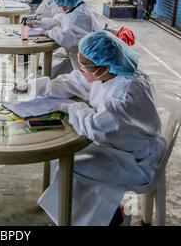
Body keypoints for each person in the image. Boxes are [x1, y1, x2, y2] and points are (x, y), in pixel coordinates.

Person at [19, 31, 166, 226]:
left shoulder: (123, 95)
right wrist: (32, 87)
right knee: (63, 161)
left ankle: (105, 217)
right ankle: (92, 213)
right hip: (119, 146)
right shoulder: (112, 72)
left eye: (84, 66)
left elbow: (96, 126)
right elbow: (73, 82)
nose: (80, 69)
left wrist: (72, 108)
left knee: (72, 166)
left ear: (104, 67)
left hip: (136, 159)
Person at [42, 0, 102, 78]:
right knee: (54, 73)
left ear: (66, 3)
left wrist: (48, 32)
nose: (59, 7)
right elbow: (60, 19)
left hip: (88, 59)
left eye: (60, 4)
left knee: (83, 80)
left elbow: (65, 37)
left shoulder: (80, 16)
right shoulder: (76, 8)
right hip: (78, 54)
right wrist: (40, 23)